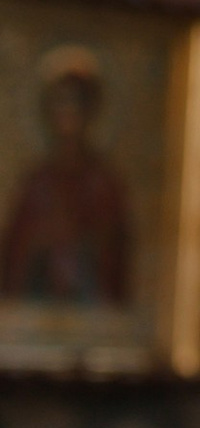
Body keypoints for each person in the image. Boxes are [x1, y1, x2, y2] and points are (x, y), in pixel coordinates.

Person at [2, 49, 132, 304]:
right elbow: (13, 258)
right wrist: (41, 244)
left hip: (89, 306)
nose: (68, 112)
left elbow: (115, 258)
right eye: (61, 101)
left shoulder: (103, 184)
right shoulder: (36, 182)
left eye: (77, 102)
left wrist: (82, 247)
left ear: (90, 109)